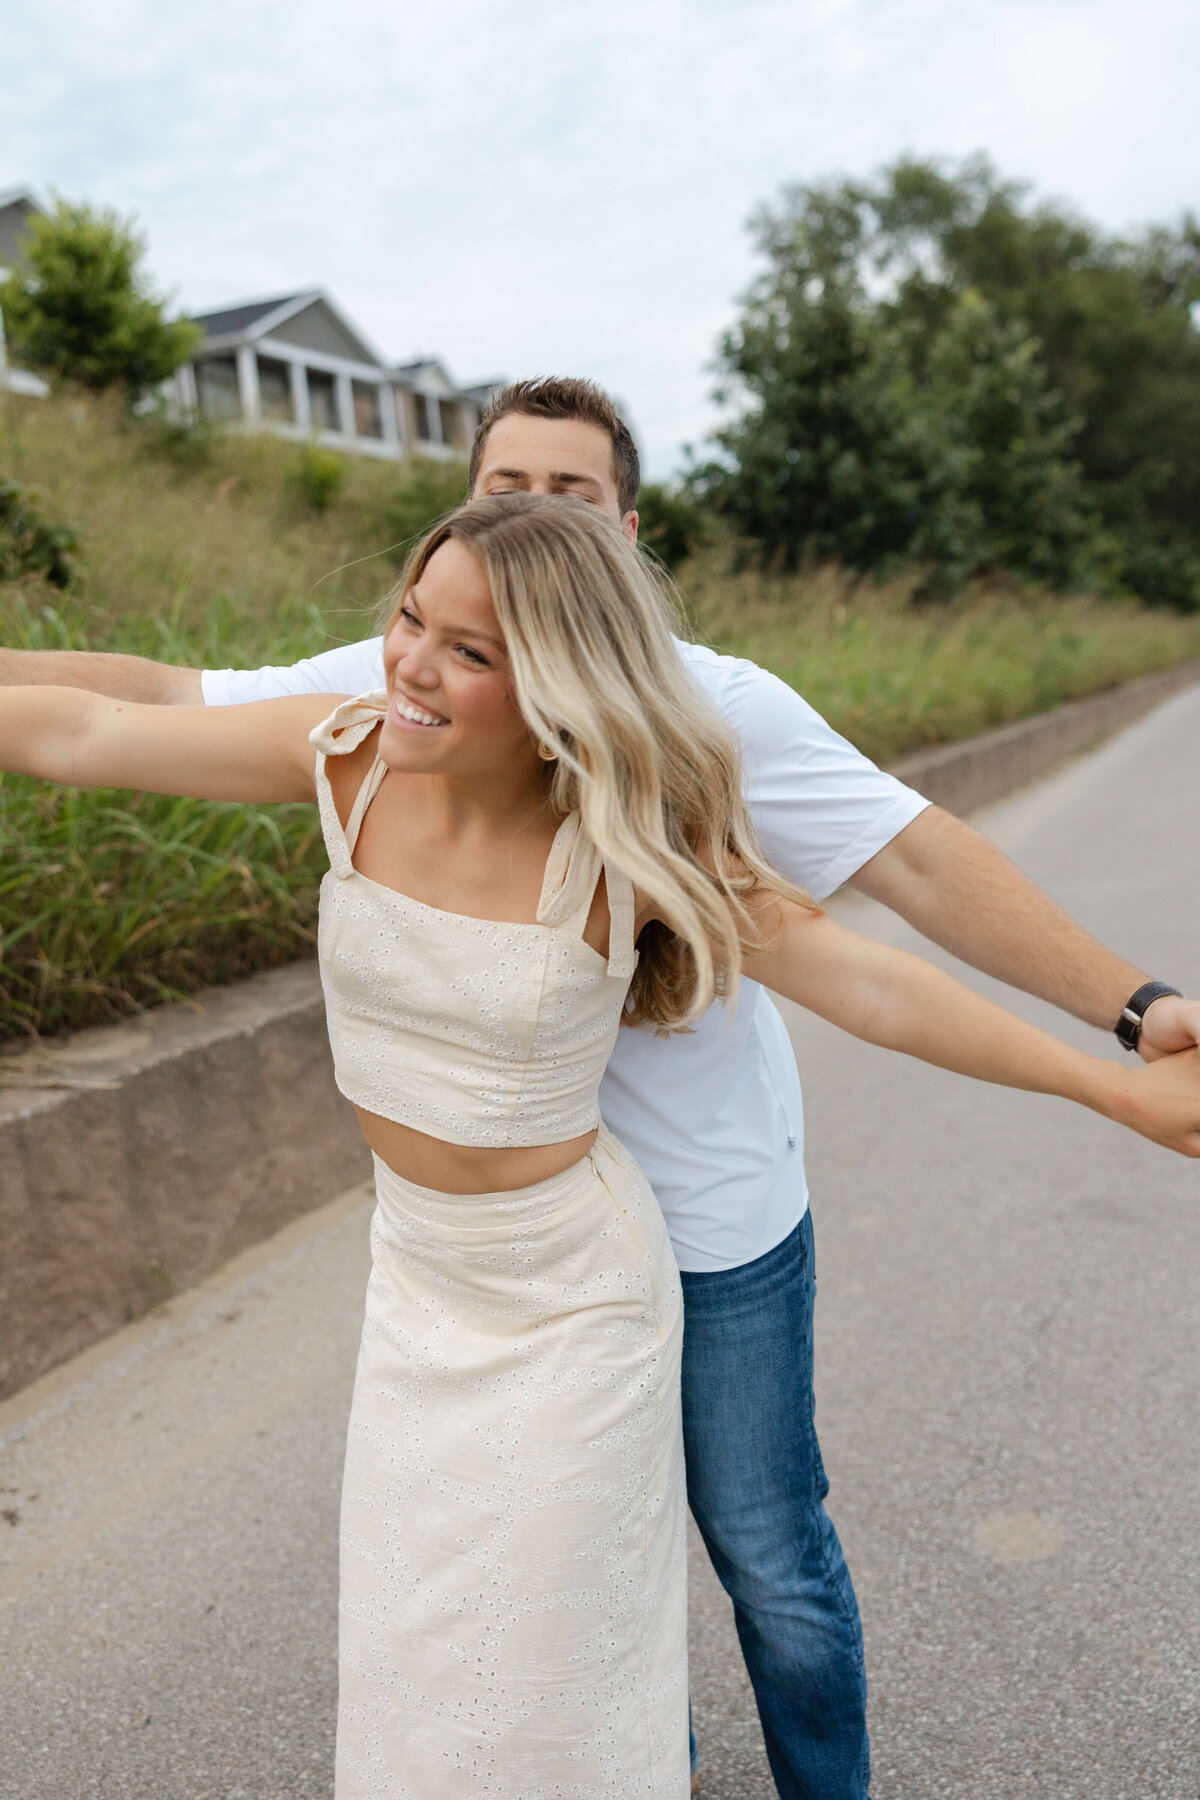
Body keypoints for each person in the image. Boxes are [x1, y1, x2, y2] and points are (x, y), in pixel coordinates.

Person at [3, 384, 1198, 1800]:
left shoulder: (629, 826)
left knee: (625, 1619)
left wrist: (1115, 1064)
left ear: (580, 633)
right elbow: (89, 729)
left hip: (597, 1281)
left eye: (468, 649)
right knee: (427, 1633)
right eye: (409, 621)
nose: (415, 664)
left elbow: (875, 967)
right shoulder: (354, 739)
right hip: (423, 1279)